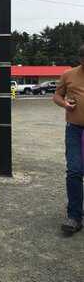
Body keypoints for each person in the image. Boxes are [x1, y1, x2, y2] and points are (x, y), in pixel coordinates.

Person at [53, 44, 84, 234]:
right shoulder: (69, 75)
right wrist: (65, 104)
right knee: (74, 171)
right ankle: (74, 216)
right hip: (74, 130)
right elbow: (56, 95)